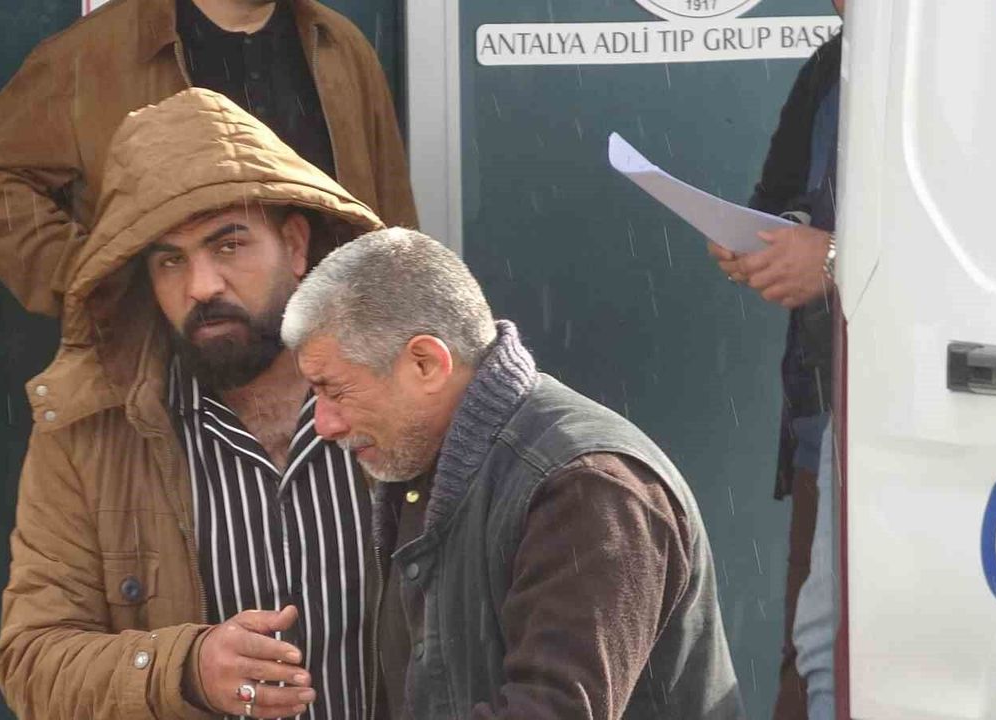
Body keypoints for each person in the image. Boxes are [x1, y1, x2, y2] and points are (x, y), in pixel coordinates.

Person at [0, 88, 387, 719]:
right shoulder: (90, 431)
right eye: (171, 261)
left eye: (229, 245)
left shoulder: (401, 396)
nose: (202, 286)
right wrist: (183, 669)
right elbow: (31, 660)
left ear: (294, 245)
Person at [282, 228, 745, 720]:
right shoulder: (421, 466)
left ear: (426, 363)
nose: (323, 425)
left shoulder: (589, 485)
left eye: (335, 391)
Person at [0, 0, 416, 318]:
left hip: (330, 376)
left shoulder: (339, 47)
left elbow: (390, 211)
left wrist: (396, 328)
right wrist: (94, 283)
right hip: (168, 385)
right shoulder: (92, 55)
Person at [706, 4, 844, 718]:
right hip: (823, 420)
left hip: (918, 409)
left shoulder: (969, 63)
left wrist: (833, 258)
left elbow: (987, 239)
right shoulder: (831, 65)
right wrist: (766, 240)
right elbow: (781, 200)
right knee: (812, 655)